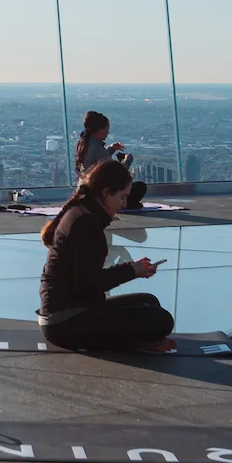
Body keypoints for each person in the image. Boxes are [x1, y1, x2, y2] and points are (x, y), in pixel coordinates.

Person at [39, 158, 174, 352]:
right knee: (162, 320)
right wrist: (131, 271)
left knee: (149, 301)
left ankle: (140, 340)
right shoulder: (86, 224)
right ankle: (138, 341)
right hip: (64, 323)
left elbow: (86, 280)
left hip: (66, 313)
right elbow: (87, 286)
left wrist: (131, 269)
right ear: (105, 193)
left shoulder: (80, 214)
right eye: (121, 197)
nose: (124, 204)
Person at [74, 110, 148, 210]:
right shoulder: (97, 148)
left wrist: (111, 149)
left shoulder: (85, 145)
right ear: (99, 130)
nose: (108, 133)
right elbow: (117, 173)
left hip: (87, 191)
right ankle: (118, 204)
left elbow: (98, 161)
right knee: (140, 187)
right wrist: (127, 160)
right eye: (106, 130)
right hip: (100, 195)